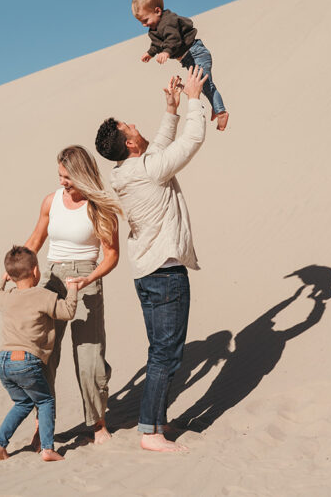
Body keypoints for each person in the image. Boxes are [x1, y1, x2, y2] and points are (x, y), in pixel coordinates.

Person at [93, 66, 208, 452]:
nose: (134, 126)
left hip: (148, 273)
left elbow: (156, 150)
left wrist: (171, 108)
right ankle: (150, 432)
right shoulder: (146, 171)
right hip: (164, 273)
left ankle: (155, 421)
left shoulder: (129, 171)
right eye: (129, 127)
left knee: (161, 351)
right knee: (166, 353)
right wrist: (194, 98)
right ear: (127, 143)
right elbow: (191, 142)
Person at [24, 145, 121, 444]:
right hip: (53, 280)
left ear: (82, 174)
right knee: (46, 355)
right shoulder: (51, 201)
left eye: (67, 176)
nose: (63, 182)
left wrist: (90, 277)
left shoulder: (99, 207)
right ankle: (44, 426)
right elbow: (36, 240)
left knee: (90, 356)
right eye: (60, 176)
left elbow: (111, 255)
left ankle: (97, 423)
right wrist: (17, 268)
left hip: (87, 280)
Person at [0, 245, 78, 462]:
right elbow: (67, 312)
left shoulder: (7, 297)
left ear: (10, 275)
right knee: (46, 401)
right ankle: (47, 448)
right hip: (26, 361)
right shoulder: (43, 296)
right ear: (36, 271)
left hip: (3, 362)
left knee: (23, 403)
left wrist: (3, 280)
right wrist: (73, 288)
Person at [132, 0, 229, 131]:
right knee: (201, 86)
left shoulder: (169, 21)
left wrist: (166, 52)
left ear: (157, 11)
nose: (144, 25)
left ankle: (221, 111)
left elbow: (174, 38)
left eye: (146, 20)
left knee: (205, 84)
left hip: (197, 53)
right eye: (141, 22)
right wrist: (150, 53)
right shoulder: (154, 30)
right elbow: (157, 44)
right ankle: (216, 107)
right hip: (188, 59)